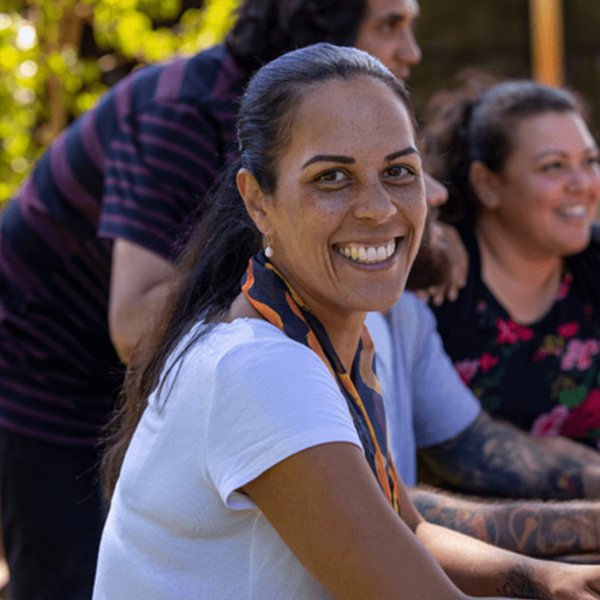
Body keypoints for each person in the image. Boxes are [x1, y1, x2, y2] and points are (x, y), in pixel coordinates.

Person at [94, 42, 600, 600]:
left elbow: (409, 532)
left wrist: (554, 580)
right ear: (257, 200)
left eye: (399, 171)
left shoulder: (332, 335)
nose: (378, 208)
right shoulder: (260, 371)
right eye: (332, 178)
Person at [0, 2, 431, 599]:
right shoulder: (178, 113)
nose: (410, 49)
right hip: (42, 363)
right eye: (389, 24)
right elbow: (133, 325)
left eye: (399, 173)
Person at [367, 174, 600, 558]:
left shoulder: (403, 311)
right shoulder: (281, 347)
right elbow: (377, 511)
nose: (439, 190)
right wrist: (578, 536)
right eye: (400, 169)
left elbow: (467, 444)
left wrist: (590, 482)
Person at [421, 76, 600, 451]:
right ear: (487, 183)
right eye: (553, 167)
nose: (582, 183)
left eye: (590, 161)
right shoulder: (437, 279)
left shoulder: (592, 260)